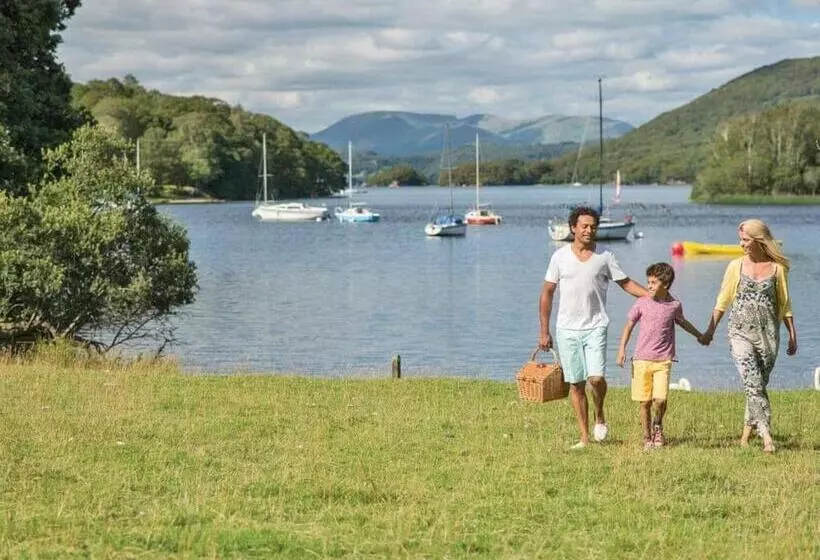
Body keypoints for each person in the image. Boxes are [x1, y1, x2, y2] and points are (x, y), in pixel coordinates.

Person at [539, 206, 648, 449]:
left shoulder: (605, 257)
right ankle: (584, 437)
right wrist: (544, 331)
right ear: (573, 228)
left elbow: (626, 283)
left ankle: (600, 414)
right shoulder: (559, 257)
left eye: (593, 227)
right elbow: (547, 293)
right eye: (584, 226)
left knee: (596, 379)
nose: (589, 230)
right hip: (566, 329)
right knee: (576, 384)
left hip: (596, 326)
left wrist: (651, 295)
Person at [701, 219, 797, 454]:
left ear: (758, 241)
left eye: (745, 240)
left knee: (756, 385)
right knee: (752, 381)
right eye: (741, 239)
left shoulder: (777, 269)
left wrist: (792, 335)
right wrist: (710, 330)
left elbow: (784, 304)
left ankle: (745, 435)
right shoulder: (736, 266)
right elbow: (722, 301)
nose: (741, 244)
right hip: (739, 333)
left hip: (768, 336)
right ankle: (766, 436)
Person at [616, 262, 706, 450]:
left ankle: (658, 426)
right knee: (644, 402)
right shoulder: (642, 302)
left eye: (653, 282)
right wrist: (622, 350)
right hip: (641, 360)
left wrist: (699, 335)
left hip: (663, 360)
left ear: (665, 284)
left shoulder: (674, 305)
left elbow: (683, 323)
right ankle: (647, 436)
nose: (648, 286)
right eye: (648, 281)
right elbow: (629, 325)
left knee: (660, 400)